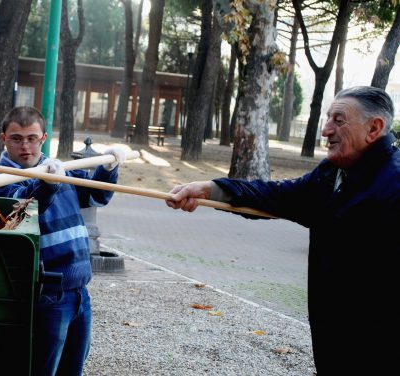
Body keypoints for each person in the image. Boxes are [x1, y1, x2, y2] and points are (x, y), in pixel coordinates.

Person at [165, 86, 399, 374]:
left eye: (338, 121)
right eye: (327, 119)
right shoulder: (331, 173)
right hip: (333, 338)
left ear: (374, 128)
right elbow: (278, 196)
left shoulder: (393, 184)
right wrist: (210, 190)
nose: (325, 131)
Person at [0, 106, 126, 376]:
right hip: (46, 296)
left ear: (43, 137)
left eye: (32, 138)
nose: (25, 146)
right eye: (16, 138)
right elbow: (24, 203)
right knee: (42, 370)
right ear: (4, 138)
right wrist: (47, 183)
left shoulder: (63, 170)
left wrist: (109, 168)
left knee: (73, 370)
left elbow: (98, 197)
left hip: (80, 293)